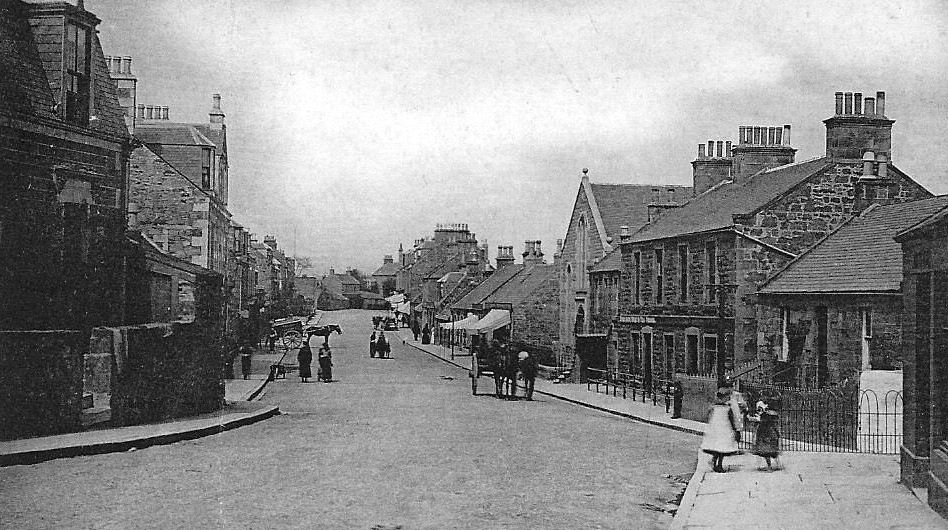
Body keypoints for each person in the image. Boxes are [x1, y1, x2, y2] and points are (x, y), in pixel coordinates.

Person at [700, 387, 741, 473]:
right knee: (719, 448)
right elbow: (731, 419)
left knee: (721, 448)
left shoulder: (718, 407)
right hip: (720, 429)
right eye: (726, 397)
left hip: (721, 429)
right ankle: (716, 464)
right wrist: (734, 429)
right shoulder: (723, 408)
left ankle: (717, 464)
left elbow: (708, 416)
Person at [750, 398, 781, 471]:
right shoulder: (774, 416)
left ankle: (770, 466)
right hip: (772, 435)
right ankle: (778, 465)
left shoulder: (764, 416)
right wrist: (777, 433)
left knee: (766, 453)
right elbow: (775, 426)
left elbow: (761, 425)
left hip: (765, 435)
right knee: (773, 453)